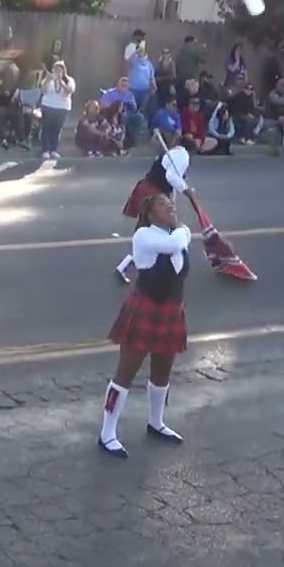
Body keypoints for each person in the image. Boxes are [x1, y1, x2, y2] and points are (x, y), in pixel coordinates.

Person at [97, 194, 191, 458]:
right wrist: (183, 229)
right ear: (150, 215)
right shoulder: (145, 236)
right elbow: (175, 242)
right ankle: (107, 433)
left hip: (172, 309)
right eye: (163, 205)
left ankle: (156, 422)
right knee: (125, 374)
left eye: (171, 203)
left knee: (162, 372)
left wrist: (181, 229)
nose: (170, 206)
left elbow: (179, 243)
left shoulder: (178, 234)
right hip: (145, 309)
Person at [115, 136, 191, 282]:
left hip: (151, 191)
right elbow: (172, 177)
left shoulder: (173, 154)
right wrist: (187, 191)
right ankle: (131, 266)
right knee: (160, 229)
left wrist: (171, 202)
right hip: (153, 194)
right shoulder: (182, 155)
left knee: (150, 229)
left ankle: (129, 265)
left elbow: (172, 182)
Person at [38, 60, 75, 160]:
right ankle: (45, 150)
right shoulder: (49, 79)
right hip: (48, 106)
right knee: (47, 129)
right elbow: (43, 90)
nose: (58, 71)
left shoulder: (69, 80)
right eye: (56, 69)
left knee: (57, 129)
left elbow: (69, 91)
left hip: (62, 108)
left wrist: (61, 82)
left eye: (60, 70)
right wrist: (47, 80)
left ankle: (54, 150)